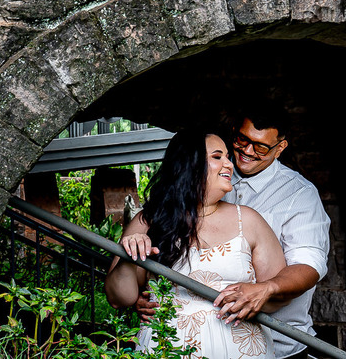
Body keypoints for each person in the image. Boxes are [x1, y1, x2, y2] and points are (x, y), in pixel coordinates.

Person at [135, 103, 331, 358]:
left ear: (280, 148)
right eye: (242, 139)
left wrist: (268, 287)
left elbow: (309, 264)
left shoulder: (300, 195)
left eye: (260, 147)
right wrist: (148, 297)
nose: (247, 151)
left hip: (280, 341)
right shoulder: (199, 182)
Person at [105, 131, 287, 359]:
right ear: (189, 165)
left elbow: (279, 296)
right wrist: (128, 255)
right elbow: (118, 299)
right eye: (218, 157)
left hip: (239, 348)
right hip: (166, 346)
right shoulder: (148, 221)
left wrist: (256, 297)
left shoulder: (248, 220)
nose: (229, 165)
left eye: (228, 157)